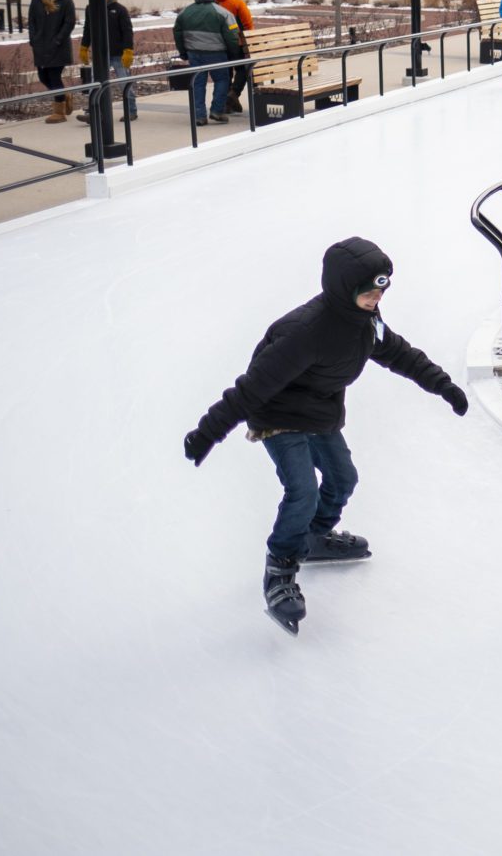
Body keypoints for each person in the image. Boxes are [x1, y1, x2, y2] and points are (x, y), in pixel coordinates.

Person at [182, 237, 470, 635]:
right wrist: (206, 433)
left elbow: (401, 355)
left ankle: (313, 537)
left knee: (343, 479)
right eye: (368, 293)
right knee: (303, 490)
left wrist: (444, 386)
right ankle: (280, 567)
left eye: (380, 292)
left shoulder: (366, 323)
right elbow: (251, 389)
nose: (376, 299)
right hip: (279, 416)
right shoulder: (305, 332)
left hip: (320, 412)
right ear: (343, 289)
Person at [173, 0, 244, 127]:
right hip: (216, 54)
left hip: (194, 54)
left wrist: (183, 52)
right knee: (222, 80)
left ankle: (200, 116)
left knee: (198, 84)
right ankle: (217, 111)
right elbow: (232, 37)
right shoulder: (222, 13)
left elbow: (177, 33)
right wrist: (233, 56)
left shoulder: (184, 13)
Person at [76, 0, 137, 124]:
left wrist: (128, 50)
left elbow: (127, 31)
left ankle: (131, 110)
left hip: (118, 53)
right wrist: (84, 46)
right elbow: (88, 29)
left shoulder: (119, 9)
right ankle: (93, 112)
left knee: (124, 82)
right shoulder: (91, 8)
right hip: (100, 54)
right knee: (95, 83)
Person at [26, 0, 78, 122]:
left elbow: (69, 23)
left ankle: (59, 112)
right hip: (40, 46)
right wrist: (33, 39)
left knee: (54, 76)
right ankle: (64, 94)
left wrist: (57, 40)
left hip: (58, 47)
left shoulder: (66, 1)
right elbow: (31, 21)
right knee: (43, 77)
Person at [212, 0, 255, 114]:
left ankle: (226, 102)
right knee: (242, 69)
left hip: (219, 45)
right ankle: (234, 94)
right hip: (237, 43)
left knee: (225, 74)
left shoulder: (212, 4)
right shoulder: (237, 3)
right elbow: (248, 25)